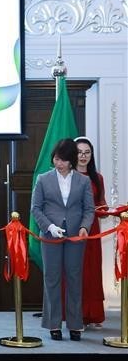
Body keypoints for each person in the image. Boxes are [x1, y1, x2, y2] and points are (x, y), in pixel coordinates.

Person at [31, 138, 94, 341]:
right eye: (57, 159)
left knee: (74, 279)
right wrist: (49, 227)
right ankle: (53, 324)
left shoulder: (83, 181)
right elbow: (36, 209)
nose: (59, 163)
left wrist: (85, 227)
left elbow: (89, 209)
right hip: (50, 236)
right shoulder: (43, 179)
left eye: (64, 160)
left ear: (72, 161)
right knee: (52, 278)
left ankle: (75, 324)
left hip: (76, 236)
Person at [75, 136, 107, 329]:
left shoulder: (98, 177)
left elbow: (100, 202)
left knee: (92, 271)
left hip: (93, 230)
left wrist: (106, 210)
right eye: (79, 152)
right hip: (73, 229)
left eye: (87, 152)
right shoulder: (68, 175)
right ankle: (76, 314)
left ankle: (93, 314)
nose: (83, 156)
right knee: (76, 272)